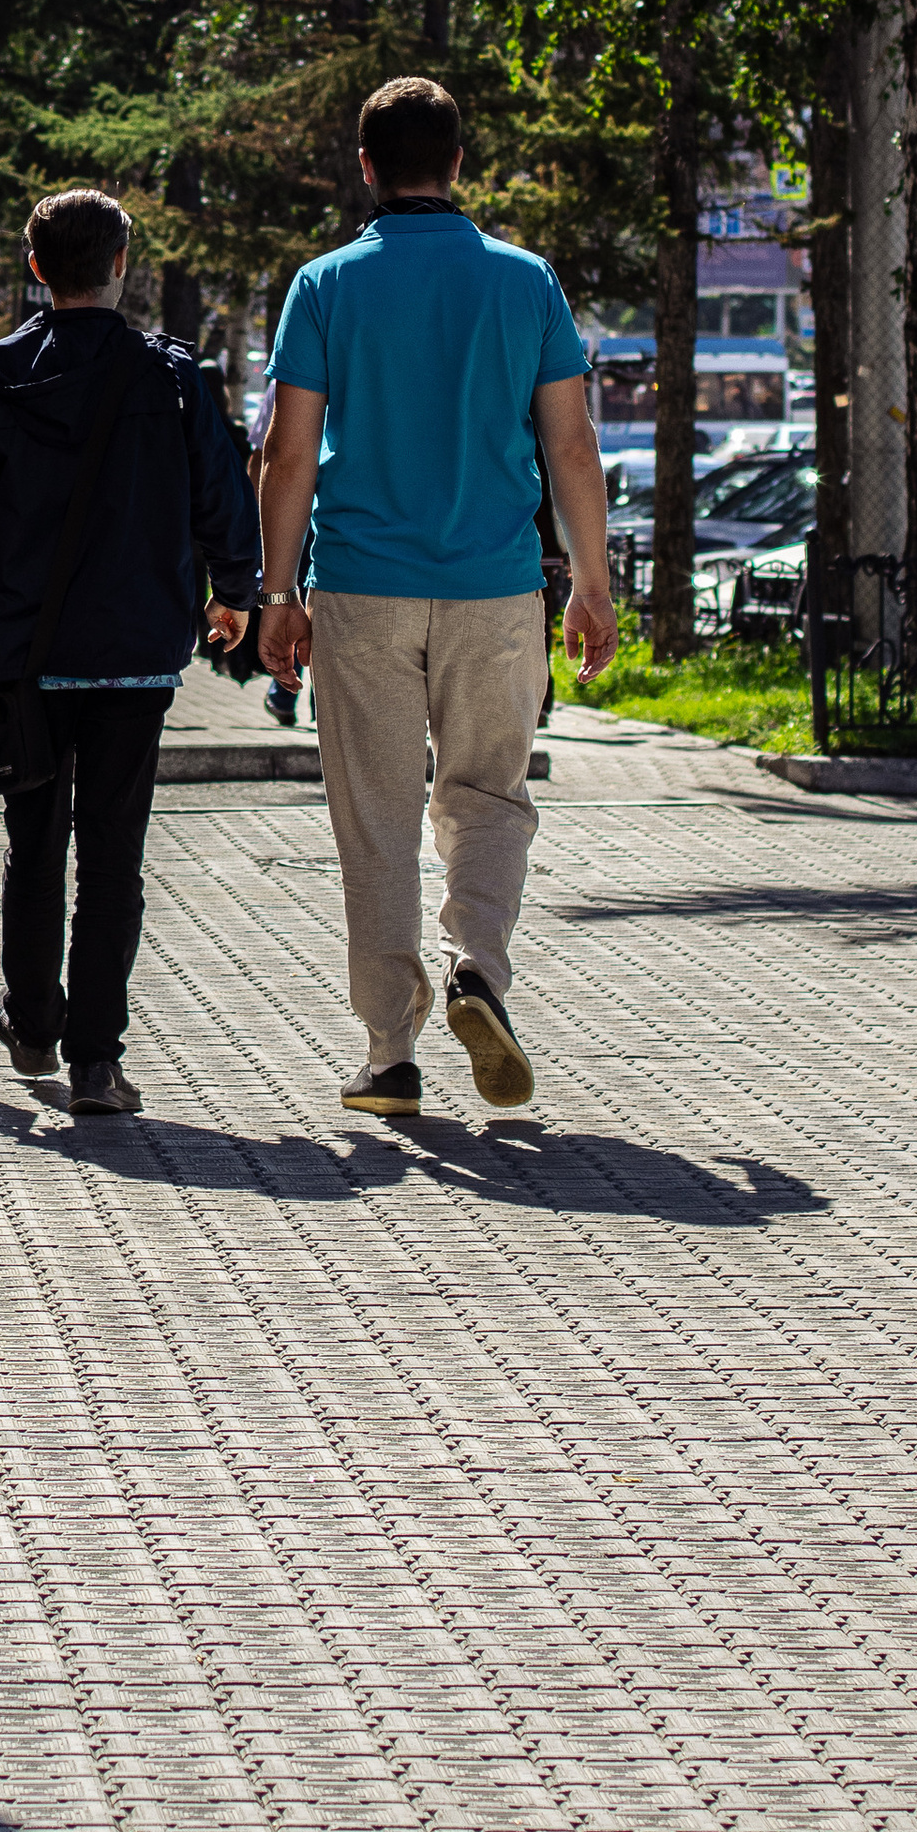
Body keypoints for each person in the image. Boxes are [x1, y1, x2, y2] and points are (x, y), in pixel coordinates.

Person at [258, 74, 616, 1122]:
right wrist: (587, 580)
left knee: (374, 816)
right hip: (497, 588)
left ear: (364, 166)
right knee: (488, 795)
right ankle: (479, 972)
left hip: (362, 586)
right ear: (458, 161)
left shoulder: (324, 285)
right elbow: (571, 444)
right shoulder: (525, 281)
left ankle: (388, 1054)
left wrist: (276, 592)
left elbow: (286, 452)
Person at [0, 189, 259, 1117]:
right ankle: (97, 1061)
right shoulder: (174, 377)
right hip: (136, 654)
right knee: (113, 861)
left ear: (36, 269)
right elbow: (221, 495)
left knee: (33, 847)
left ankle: (31, 1021)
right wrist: (235, 593)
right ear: (121, 265)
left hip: (20, 655)